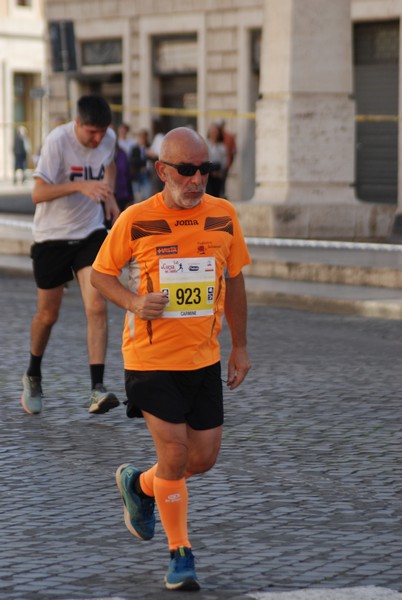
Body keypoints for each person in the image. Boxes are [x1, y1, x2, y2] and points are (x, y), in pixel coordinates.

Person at [90, 126, 251, 591]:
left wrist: (239, 345)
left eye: (204, 169)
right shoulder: (137, 219)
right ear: (162, 171)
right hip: (150, 358)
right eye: (186, 170)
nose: (196, 179)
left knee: (202, 459)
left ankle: (139, 484)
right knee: (176, 456)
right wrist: (136, 303)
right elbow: (102, 275)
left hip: (202, 359)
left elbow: (235, 280)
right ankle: (181, 554)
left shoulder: (223, 216)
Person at [20, 94, 121, 416]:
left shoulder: (108, 139)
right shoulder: (57, 142)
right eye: (91, 132)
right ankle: (33, 373)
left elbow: (111, 164)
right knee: (48, 315)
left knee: (97, 304)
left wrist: (108, 196)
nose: (97, 139)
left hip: (89, 233)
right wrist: (80, 187)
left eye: (102, 132)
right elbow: (37, 193)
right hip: (51, 237)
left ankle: (97, 388)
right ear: (76, 124)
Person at [129, 128, 152, 202]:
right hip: (137, 174)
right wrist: (143, 161)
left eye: (144, 137)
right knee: (137, 195)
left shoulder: (149, 147)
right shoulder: (135, 148)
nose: (142, 139)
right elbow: (133, 161)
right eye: (141, 137)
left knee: (146, 194)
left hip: (146, 173)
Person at [206, 122, 227, 198]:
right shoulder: (205, 144)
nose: (214, 134)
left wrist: (220, 171)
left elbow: (224, 160)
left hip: (217, 170)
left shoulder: (221, 146)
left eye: (215, 132)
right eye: (212, 131)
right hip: (208, 171)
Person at [217, 119, 237, 197]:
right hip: (217, 164)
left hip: (225, 163)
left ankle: (221, 194)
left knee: (222, 181)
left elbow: (234, 151)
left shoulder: (228, 137)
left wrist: (230, 162)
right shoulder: (216, 136)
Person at [115, 140, 134, 211]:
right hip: (106, 196)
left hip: (122, 194)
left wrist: (131, 197)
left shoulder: (122, 154)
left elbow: (128, 175)